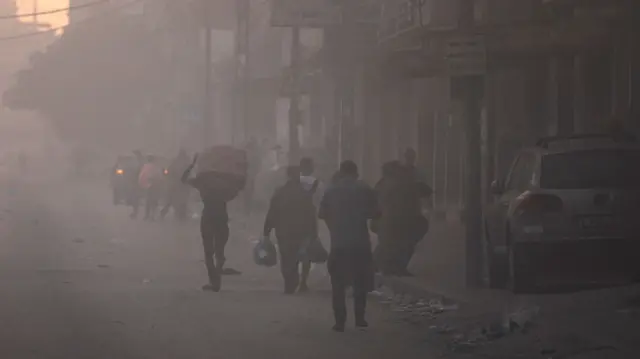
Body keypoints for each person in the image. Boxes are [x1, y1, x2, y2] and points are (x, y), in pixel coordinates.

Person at [319, 160, 378, 332]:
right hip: (360, 243)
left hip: (339, 244)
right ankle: (360, 317)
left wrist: (334, 224)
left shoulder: (331, 190)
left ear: (341, 172)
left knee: (338, 283)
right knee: (360, 280)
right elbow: (376, 212)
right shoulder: (365, 189)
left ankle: (340, 321)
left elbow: (322, 213)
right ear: (356, 173)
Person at [181, 154, 244, 292]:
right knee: (219, 249)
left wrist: (191, 165)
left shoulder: (203, 180)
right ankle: (218, 270)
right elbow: (239, 187)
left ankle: (214, 281)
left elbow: (183, 179)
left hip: (208, 216)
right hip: (221, 216)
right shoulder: (225, 181)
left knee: (208, 252)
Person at [263, 165, 318, 294]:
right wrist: (313, 232)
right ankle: (297, 281)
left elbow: (272, 212)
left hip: (284, 232)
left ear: (287, 175)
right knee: (301, 255)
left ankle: (290, 282)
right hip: (301, 230)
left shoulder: (280, 192)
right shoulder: (304, 193)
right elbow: (311, 213)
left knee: (286, 257)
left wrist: (267, 231)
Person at [374, 160, 430, 277]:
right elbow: (425, 190)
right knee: (403, 245)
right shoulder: (405, 182)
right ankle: (393, 267)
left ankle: (385, 267)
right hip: (402, 221)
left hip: (390, 221)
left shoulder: (382, 184)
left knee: (389, 245)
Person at [298, 157, 324, 292]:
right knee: (307, 251)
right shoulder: (318, 184)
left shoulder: (293, 182)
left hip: (293, 219)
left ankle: (292, 277)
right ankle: (303, 281)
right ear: (312, 168)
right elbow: (321, 202)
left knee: (292, 249)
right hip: (309, 220)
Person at [160, 149, 191, 221]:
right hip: (179, 185)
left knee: (172, 200)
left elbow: (168, 172)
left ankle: (166, 212)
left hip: (178, 185)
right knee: (175, 200)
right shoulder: (183, 163)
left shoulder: (177, 162)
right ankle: (166, 212)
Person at [138, 155, 164, 221]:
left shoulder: (145, 166)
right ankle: (153, 216)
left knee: (148, 201)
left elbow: (141, 176)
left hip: (148, 186)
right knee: (154, 201)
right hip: (155, 185)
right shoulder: (156, 167)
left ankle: (147, 215)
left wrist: (141, 184)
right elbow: (160, 176)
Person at [126, 150, 145, 219]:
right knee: (136, 198)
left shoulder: (140, 162)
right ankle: (136, 213)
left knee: (136, 198)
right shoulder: (139, 162)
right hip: (138, 182)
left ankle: (136, 213)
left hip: (138, 183)